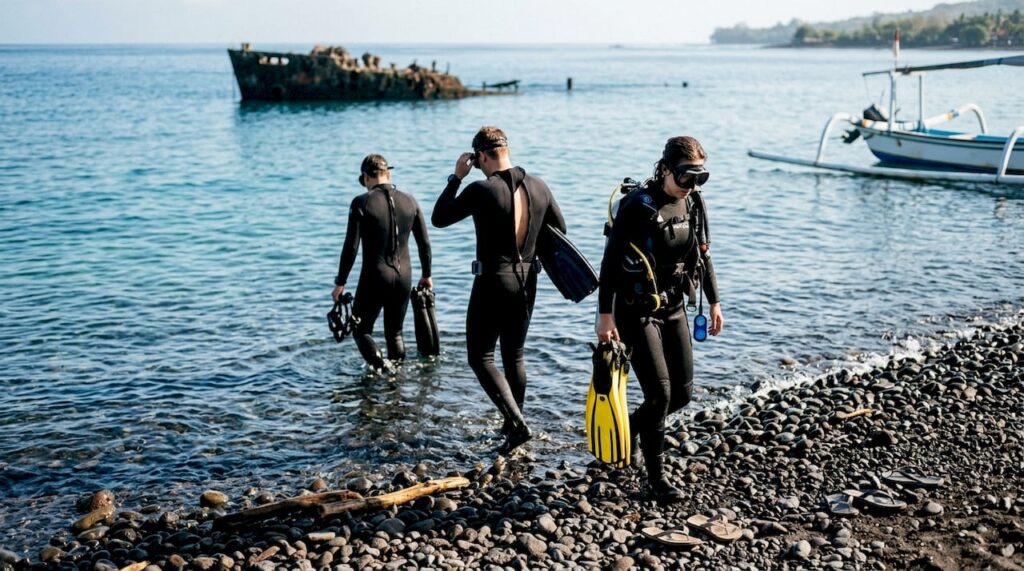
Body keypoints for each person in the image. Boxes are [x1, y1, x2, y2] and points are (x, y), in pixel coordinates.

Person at [595, 136, 725, 502]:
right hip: (635, 311)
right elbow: (609, 264)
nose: (691, 186)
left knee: (681, 395)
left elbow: (704, 256)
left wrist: (715, 302)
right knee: (659, 395)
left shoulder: (694, 202)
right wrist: (605, 317)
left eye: (700, 178)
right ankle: (657, 479)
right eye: (685, 178)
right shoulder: (637, 206)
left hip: (673, 308)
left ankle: (627, 432)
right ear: (665, 169)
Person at [432, 126, 566, 454]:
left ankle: (517, 425)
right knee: (514, 355)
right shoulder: (539, 187)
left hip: (493, 279)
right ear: (506, 148)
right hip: (526, 281)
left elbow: (439, 218)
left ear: (480, 157)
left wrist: (456, 177)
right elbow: (560, 230)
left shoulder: (481, 189)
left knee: (480, 356)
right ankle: (512, 424)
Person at [332, 154, 433, 370]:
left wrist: (340, 283)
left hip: (375, 276)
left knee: (360, 330)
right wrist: (427, 275)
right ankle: (396, 384)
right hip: (405, 275)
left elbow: (351, 247)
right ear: (389, 174)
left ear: (366, 177)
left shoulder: (361, 202)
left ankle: (383, 369)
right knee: (395, 333)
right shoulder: (411, 201)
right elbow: (424, 243)